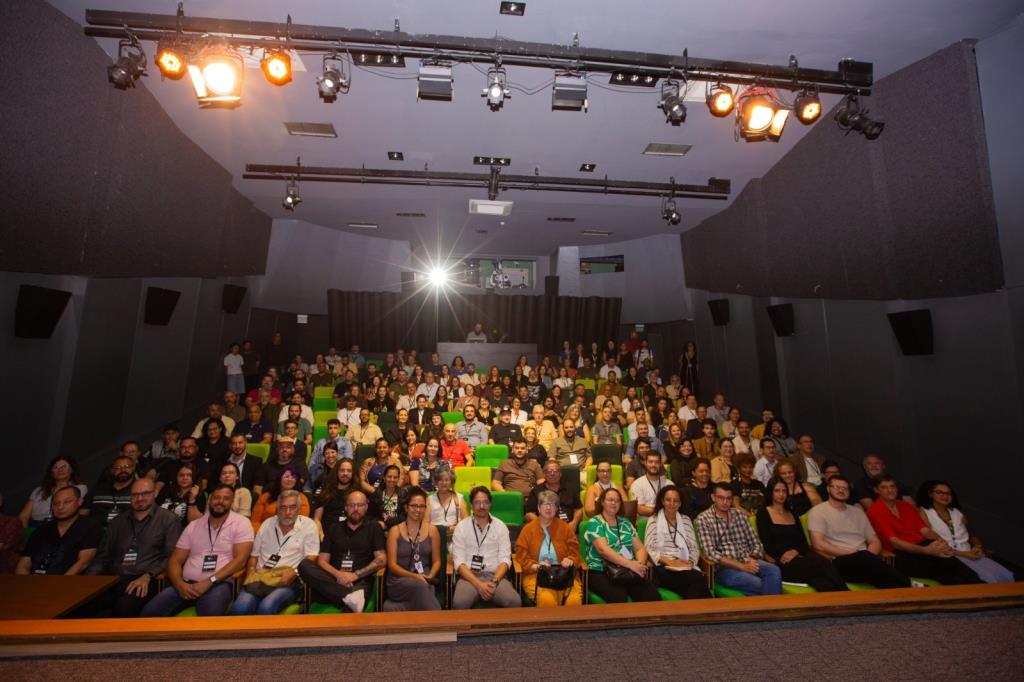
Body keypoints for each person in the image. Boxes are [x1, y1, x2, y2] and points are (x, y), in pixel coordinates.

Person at [141, 485, 255, 616]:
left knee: (209, 617)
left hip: (218, 584)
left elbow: (240, 561)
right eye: (216, 498)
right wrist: (179, 584)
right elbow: (175, 560)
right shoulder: (193, 526)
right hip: (186, 584)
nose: (220, 501)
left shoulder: (241, 523)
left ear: (232, 502)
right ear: (209, 500)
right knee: (149, 612)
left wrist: (209, 581)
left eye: (226, 498)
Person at [87, 478, 182, 616]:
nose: (139, 498)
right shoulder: (118, 522)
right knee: (84, 605)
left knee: (124, 608)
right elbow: (102, 557)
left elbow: (171, 556)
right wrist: (89, 582)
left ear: (155, 493)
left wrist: (148, 576)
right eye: (135, 495)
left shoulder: (169, 519)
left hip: (146, 578)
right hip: (114, 578)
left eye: (145, 493)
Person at [866, 476, 982, 585]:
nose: (890, 490)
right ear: (876, 490)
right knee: (946, 574)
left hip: (923, 546)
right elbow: (895, 542)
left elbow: (925, 530)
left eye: (892, 486)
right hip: (900, 554)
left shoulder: (906, 506)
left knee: (958, 567)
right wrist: (926, 550)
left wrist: (941, 541)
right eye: (884, 487)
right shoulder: (874, 511)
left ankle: (982, 588)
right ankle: (970, 596)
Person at [807, 475, 911, 588]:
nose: (841, 490)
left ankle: (908, 591)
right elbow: (818, 544)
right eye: (837, 487)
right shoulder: (818, 511)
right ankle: (909, 583)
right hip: (840, 561)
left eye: (845, 488)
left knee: (889, 583)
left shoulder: (858, 512)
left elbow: (874, 540)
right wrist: (852, 554)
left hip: (866, 560)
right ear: (828, 489)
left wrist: (868, 556)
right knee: (873, 566)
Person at [229, 490, 319, 615]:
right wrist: (250, 572)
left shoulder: (308, 525)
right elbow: (254, 556)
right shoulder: (267, 524)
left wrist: (295, 573)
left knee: (266, 607)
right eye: (283, 507)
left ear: (298, 509)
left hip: (288, 581)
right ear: (277, 509)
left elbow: (312, 557)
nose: (288, 512)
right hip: (260, 578)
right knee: (240, 608)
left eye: (292, 507)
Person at [299, 490, 386, 613]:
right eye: (351, 505)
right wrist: (338, 575)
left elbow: (381, 559)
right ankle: (347, 596)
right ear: (345, 507)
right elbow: (322, 561)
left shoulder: (374, 527)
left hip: (359, 581)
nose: (355, 509)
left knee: (349, 609)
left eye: (359, 505)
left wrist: (355, 575)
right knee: (304, 565)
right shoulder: (333, 528)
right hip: (333, 580)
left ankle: (344, 598)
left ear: (366, 507)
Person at [916, 480, 1014, 584]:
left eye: (948, 493)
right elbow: (929, 541)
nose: (945, 496)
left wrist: (977, 547)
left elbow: (972, 536)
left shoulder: (957, 512)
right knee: (988, 579)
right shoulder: (923, 512)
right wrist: (964, 554)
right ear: (930, 494)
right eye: (940, 493)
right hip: (950, 557)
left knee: (1007, 576)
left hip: (970, 553)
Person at [757, 480, 848, 592]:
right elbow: (766, 545)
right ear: (770, 492)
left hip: (800, 558)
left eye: (784, 491)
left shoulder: (792, 513)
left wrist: (795, 551)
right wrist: (786, 553)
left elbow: (804, 544)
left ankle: (839, 604)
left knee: (821, 581)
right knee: (822, 563)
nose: (781, 494)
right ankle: (848, 595)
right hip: (781, 562)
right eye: (777, 491)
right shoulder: (763, 513)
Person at [696, 483, 782, 595]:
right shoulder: (704, 519)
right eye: (721, 498)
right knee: (763, 584)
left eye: (728, 498)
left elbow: (756, 543)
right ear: (713, 497)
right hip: (725, 568)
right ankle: (772, 609)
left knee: (774, 571)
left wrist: (751, 558)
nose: (725, 502)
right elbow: (710, 553)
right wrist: (742, 566)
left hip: (747, 560)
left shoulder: (739, 515)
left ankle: (765, 609)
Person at [583, 488, 661, 603]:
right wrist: (630, 564)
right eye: (610, 500)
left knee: (651, 594)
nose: (614, 503)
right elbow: (603, 550)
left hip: (627, 570)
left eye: (617, 501)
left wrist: (639, 564)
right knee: (618, 597)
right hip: (601, 571)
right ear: (602, 502)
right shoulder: (595, 523)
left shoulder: (626, 523)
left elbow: (640, 548)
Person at [451, 487, 521, 609]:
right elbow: (459, 562)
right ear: (471, 506)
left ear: (490, 505)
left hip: (495, 577)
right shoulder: (461, 527)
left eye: (485, 502)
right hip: (469, 578)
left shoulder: (500, 526)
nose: (481, 506)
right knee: (459, 603)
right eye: (477, 503)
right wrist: (479, 585)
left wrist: (494, 582)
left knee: (514, 601)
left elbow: (505, 560)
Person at [515, 489, 584, 607]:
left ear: (557, 509)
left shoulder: (565, 528)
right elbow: (521, 555)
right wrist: (534, 566)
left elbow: (575, 551)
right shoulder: (528, 529)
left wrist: (570, 560)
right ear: (538, 507)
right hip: (537, 574)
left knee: (574, 602)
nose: (549, 508)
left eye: (553, 505)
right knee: (548, 601)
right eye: (545, 504)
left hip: (564, 574)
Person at [644, 485, 710, 599]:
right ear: (662, 501)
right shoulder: (653, 520)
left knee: (696, 581)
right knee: (697, 580)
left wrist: (690, 562)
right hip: (663, 566)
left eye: (676, 501)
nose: (672, 503)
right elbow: (649, 548)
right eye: (668, 500)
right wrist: (669, 562)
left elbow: (694, 547)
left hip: (684, 565)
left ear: (680, 504)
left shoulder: (686, 520)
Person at [17, 486, 101, 575]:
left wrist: (58, 585)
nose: (60, 507)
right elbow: (24, 564)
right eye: (56, 503)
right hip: (34, 582)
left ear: (79, 501)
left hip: (68, 583)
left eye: (67, 502)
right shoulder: (41, 530)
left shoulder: (90, 526)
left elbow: (83, 562)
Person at [384, 488, 443, 611]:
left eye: (422, 506)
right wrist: (416, 577)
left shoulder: (432, 530)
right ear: (406, 507)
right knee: (422, 587)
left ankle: (398, 608)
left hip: (424, 577)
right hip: (399, 580)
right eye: (414, 506)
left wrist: (430, 575)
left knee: (424, 587)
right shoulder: (395, 531)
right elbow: (392, 565)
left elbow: (437, 561)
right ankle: (440, 621)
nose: (418, 510)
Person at [19, 456, 88, 529]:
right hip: (35, 526)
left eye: (64, 466)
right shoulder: (39, 490)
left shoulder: (80, 488)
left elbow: (81, 514)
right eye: (55, 467)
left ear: (72, 470)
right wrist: (25, 533)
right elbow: (24, 516)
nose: (60, 469)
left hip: (61, 526)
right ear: (51, 472)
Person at [524, 460, 583, 532]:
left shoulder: (570, 488)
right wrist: (541, 524)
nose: (552, 474)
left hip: (569, 529)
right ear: (544, 474)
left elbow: (578, 509)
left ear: (560, 474)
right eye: (549, 471)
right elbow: (529, 514)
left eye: (555, 471)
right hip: (545, 530)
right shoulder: (536, 491)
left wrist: (574, 523)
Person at [313, 459, 364, 537]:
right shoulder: (326, 490)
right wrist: (320, 533)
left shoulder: (357, 494)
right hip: (327, 534)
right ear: (337, 472)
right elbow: (317, 519)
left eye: (349, 471)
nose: (345, 473)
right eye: (342, 470)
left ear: (353, 473)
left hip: (351, 535)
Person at [251, 467, 310, 532]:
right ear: (280, 478)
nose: (290, 479)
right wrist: (261, 534)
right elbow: (255, 521)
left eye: (293, 477)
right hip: (264, 533)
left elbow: (301, 523)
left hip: (291, 535)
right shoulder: (266, 496)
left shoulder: (302, 499)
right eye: (286, 476)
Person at [84, 456, 136, 529]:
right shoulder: (97, 490)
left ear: (133, 468)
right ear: (112, 470)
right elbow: (83, 514)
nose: (122, 470)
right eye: (118, 467)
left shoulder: (139, 491)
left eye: (127, 466)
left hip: (127, 535)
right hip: (97, 535)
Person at [156, 462, 207, 527]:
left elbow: (195, 523)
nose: (185, 478)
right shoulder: (167, 491)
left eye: (189, 475)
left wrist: (192, 500)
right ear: (176, 477)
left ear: (194, 477)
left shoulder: (199, 495)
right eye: (181, 475)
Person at [548, 418, 591, 484]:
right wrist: (556, 470)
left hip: (580, 472)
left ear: (575, 428)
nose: (569, 429)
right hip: (562, 472)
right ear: (563, 429)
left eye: (571, 427)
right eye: (566, 427)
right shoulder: (556, 441)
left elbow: (590, 457)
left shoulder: (583, 441)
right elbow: (551, 458)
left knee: (588, 483)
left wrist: (586, 468)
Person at [629, 449, 670, 517]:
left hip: (666, 519)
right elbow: (638, 508)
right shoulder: (637, 484)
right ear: (645, 463)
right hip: (645, 520)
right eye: (650, 462)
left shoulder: (669, 484)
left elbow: (674, 505)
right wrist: (660, 511)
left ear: (660, 464)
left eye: (656, 462)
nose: (653, 465)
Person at [371, 465, 407, 530]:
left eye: (395, 477)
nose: (392, 480)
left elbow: (405, 515)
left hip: (398, 528)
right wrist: (378, 522)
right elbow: (370, 515)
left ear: (398, 479)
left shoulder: (403, 494)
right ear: (384, 478)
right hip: (380, 529)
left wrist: (390, 524)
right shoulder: (376, 494)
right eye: (389, 477)